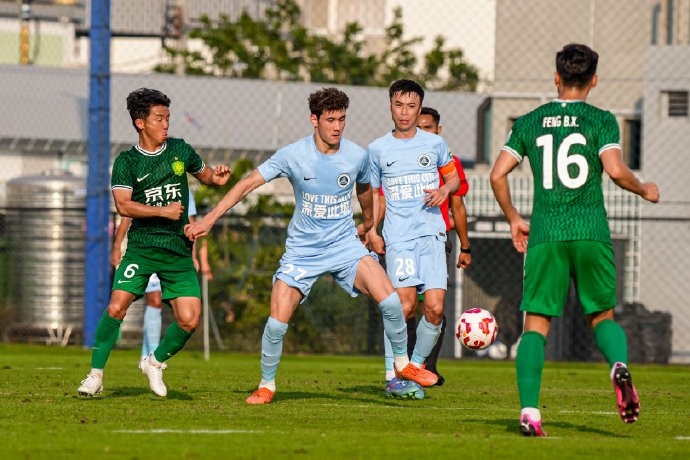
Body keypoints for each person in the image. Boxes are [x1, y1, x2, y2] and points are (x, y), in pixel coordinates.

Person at [185, 87, 434, 404]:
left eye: (342, 119)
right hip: (303, 253)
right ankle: (266, 385)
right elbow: (247, 184)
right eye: (330, 120)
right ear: (314, 120)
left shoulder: (357, 155)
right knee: (277, 322)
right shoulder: (292, 155)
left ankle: (402, 365)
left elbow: (364, 189)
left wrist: (370, 225)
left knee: (390, 301)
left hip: (345, 246)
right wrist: (209, 219)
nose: (337, 127)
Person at [489, 43, 659, 437]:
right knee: (601, 316)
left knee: (536, 325)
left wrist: (514, 218)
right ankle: (618, 365)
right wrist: (643, 189)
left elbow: (497, 175)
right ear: (594, 80)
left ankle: (530, 412)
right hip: (590, 231)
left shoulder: (530, 121)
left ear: (556, 78)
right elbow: (615, 170)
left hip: (547, 233)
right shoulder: (602, 120)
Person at [77, 87, 231, 397]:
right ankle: (95, 375)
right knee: (116, 306)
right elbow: (123, 205)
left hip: (177, 251)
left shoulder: (180, 150)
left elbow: (207, 176)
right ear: (140, 123)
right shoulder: (127, 162)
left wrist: (218, 177)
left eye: (167, 118)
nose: (165, 124)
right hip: (142, 249)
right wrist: (162, 211)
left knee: (190, 320)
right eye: (159, 118)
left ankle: (155, 362)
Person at [367, 80, 461, 393]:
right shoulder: (378, 149)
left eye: (411, 106)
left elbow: (453, 179)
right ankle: (392, 375)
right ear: (390, 107)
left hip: (432, 236)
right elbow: (375, 195)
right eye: (399, 105)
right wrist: (372, 230)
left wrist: (444, 190)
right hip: (400, 239)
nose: (404, 112)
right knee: (404, 307)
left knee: (435, 309)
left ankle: (415, 367)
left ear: (419, 109)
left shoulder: (435, 144)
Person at [110, 189, 212, 368]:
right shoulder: (144, 184)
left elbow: (190, 223)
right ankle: (148, 354)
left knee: (178, 311)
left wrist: (193, 256)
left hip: (173, 256)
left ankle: (151, 355)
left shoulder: (184, 191)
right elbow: (127, 215)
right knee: (153, 301)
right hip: (144, 252)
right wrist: (117, 245)